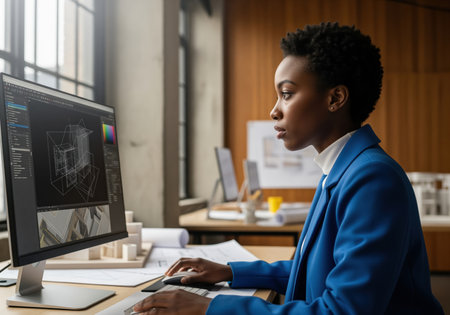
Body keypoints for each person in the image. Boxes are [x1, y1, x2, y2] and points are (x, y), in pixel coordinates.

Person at [133, 22, 444, 315]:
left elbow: (343, 310)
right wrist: (230, 272)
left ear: (335, 98)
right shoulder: (343, 169)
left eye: (287, 94)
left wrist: (209, 307)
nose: (274, 110)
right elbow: (316, 268)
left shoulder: (372, 179)